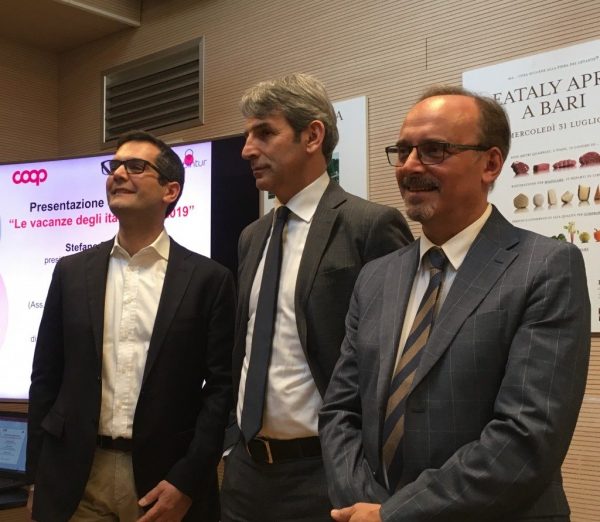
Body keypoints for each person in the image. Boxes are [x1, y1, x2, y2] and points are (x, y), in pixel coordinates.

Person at [319, 85, 590, 521]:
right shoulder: (376, 278)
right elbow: (340, 412)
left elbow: (526, 438)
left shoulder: (546, 267)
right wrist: (364, 506)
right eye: (403, 150)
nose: (410, 166)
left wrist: (394, 515)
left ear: (491, 163)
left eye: (434, 150)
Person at [219, 73, 413, 522]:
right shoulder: (252, 236)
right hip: (245, 474)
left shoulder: (370, 226)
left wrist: (364, 476)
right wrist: (231, 441)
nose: (247, 149)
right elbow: (243, 348)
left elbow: (398, 360)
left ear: (312, 135)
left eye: (264, 133)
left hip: (325, 476)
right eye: (247, 135)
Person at [27, 131, 235, 521]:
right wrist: (37, 477)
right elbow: (45, 378)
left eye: (136, 166)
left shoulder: (209, 279)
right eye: (114, 166)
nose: (118, 174)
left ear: (170, 190)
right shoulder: (71, 272)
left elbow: (222, 391)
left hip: (164, 482)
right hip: (75, 478)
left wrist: (189, 480)